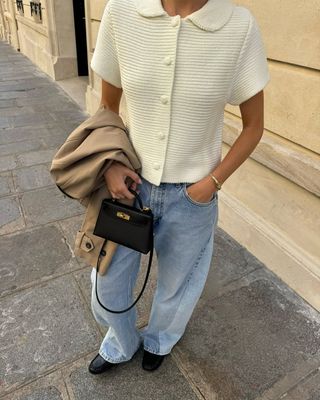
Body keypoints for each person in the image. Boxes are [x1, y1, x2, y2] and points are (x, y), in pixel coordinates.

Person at [88, 0, 270, 373]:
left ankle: (160, 339)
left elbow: (254, 126)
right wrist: (112, 163)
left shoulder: (238, 26)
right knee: (105, 283)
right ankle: (121, 341)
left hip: (193, 196)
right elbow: (107, 104)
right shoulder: (122, 12)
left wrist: (211, 183)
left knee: (178, 284)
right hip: (129, 186)